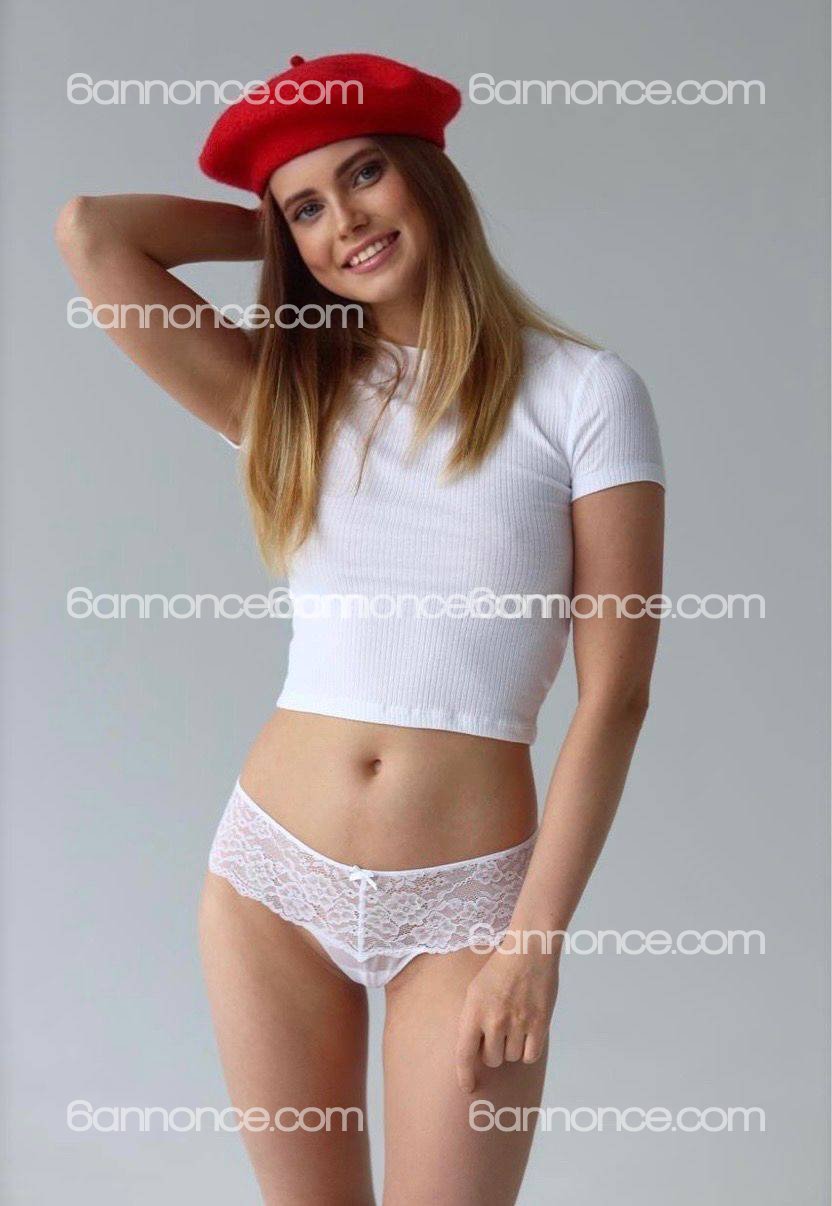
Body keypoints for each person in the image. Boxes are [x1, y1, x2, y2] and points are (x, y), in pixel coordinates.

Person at [55, 51, 666, 1206]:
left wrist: (532, 945)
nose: (345, 220)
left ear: (431, 175)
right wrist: (287, 240)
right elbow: (94, 232)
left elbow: (616, 697)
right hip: (270, 883)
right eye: (306, 208)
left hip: (470, 904)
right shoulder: (293, 395)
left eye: (366, 174)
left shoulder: (585, 394)